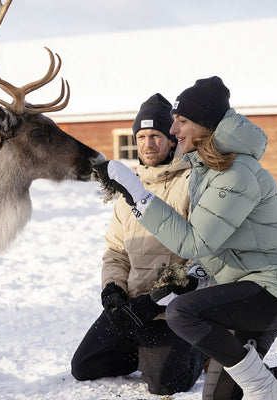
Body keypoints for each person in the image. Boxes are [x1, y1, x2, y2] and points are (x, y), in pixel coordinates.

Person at [94, 76, 277, 400]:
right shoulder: (207, 172)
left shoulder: (237, 174)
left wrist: (139, 197)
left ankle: (262, 385)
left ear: (205, 125)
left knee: (183, 312)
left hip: (276, 287)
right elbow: (215, 245)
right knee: (220, 397)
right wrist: (194, 274)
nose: (173, 130)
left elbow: (195, 242)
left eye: (182, 121)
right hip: (246, 285)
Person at [71, 93, 208, 395]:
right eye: (142, 136)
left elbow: (204, 255)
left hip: (172, 308)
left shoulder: (192, 184)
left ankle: (207, 349)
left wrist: (164, 296)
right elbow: (116, 251)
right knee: (85, 366)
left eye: (156, 136)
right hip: (134, 305)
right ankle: (149, 353)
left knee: (165, 384)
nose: (147, 144)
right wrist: (113, 290)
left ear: (172, 140)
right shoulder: (128, 191)